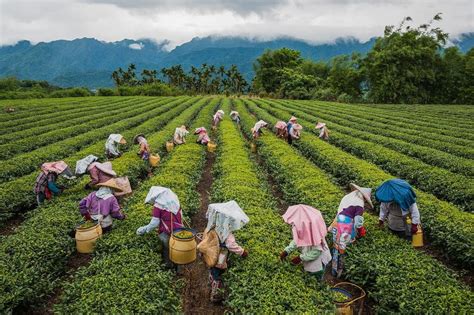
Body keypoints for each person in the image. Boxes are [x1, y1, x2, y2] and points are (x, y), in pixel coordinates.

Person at [204, 200, 249, 302]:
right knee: (219, 273)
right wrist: (242, 252)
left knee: (213, 268)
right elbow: (231, 245)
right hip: (220, 256)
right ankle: (215, 294)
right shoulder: (228, 234)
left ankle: (210, 280)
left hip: (211, 253)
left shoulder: (213, 227)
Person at [329, 183, 372, 278]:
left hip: (337, 222)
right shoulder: (359, 204)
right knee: (342, 248)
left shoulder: (347, 197)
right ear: (364, 198)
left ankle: (333, 270)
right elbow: (357, 223)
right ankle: (338, 274)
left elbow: (340, 212)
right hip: (345, 226)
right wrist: (361, 231)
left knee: (336, 246)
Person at [136, 187, 184, 268]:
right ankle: (179, 269)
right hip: (179, 229)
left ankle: (168, 265)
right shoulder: (175, 202)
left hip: (167, 231)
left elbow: (154, 223)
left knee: (166, 248)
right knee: (177, 249)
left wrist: (144, 229)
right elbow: (181, 215)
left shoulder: (158, 206)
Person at [280, 204, 331, 280]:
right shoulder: (302, 227)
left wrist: (300, 258)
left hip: (318, 263)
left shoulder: (315, 232)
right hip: (309, 256)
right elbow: (297, 239)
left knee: (315, 278)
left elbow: (316, 252)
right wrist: (287, 250)